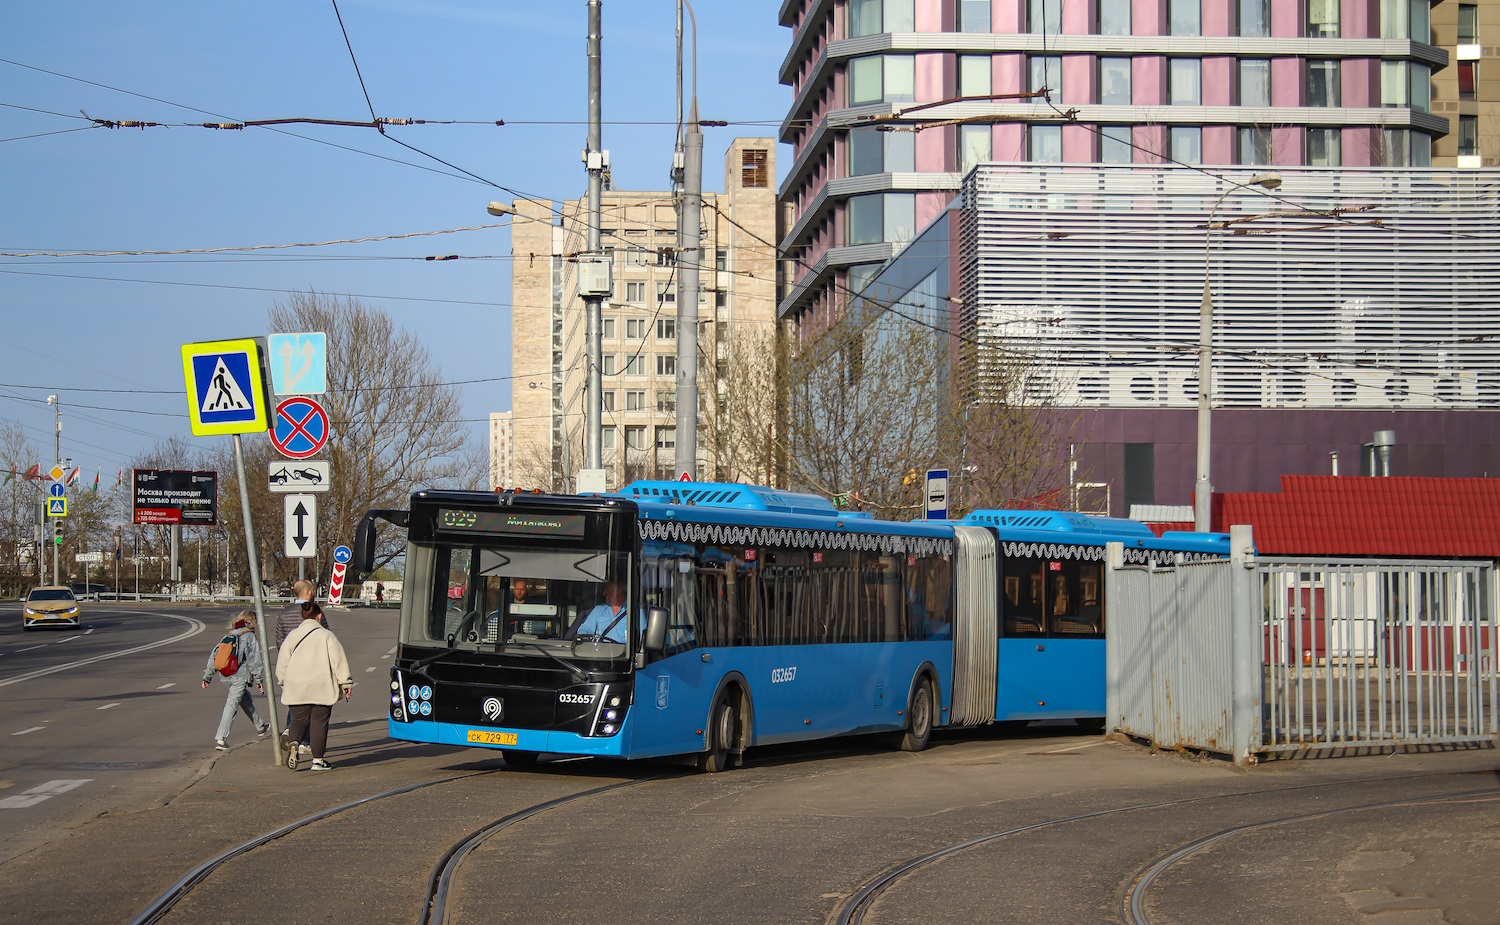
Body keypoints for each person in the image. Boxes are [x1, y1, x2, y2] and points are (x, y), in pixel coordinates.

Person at [275, 601, 353, 771]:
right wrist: (346, 683)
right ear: (318, 616)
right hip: (321, 686)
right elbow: (338, 661)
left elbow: (282, 665)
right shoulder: (327, 636)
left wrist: (283, 682)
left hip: (296, 687)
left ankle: (294, 742)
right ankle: (318, 760)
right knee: (319, 722)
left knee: (298, 720)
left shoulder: (292, 637)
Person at [201, 610, 269, 750]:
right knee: (232, 704)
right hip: (240, 676)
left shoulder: (230, 634)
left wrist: (208, 676)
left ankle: (260, 726)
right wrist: (259, 680)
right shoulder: (249, 637)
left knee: (244, 699)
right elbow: (254, 660)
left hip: (225, 675)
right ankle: (221, 738)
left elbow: (215, 655)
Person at [276, 579, 328, 755]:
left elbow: (279, 639)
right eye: (312, 590)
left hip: (291, 665)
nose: (313, 593)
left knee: (296, 702)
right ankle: (301, 739)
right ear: (307, 592)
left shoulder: (285, 614)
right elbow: (326, 636)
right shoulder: (315, 612)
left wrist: (286, 662)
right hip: (313, 666)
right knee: (310, 705)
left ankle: (291, 732)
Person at [568, 581, 641, 643]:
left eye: (608, 590)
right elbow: (585, 629)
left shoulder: (637, 611)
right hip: (600, 654)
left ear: (618, 591)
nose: (604, 593)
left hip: (624, 656)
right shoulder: (598, 610)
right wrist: (584, 637)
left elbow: (641, 638)